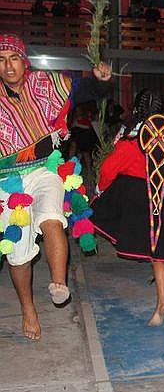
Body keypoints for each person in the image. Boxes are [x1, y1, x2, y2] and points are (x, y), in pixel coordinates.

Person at [0, 34, 111, 340]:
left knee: (52, 218)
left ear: (25, 62)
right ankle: (28, 309)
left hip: (44, 168)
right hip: (7, 182)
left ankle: (58, 283)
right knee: (18, 253)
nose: (8, 66)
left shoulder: (45, 85)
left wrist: (100, 80)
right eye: (1, 60)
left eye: (14, 58)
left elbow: (82, 89)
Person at [92, 90, 164, 326]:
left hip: (136, 200)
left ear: (136, 110)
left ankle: (97, 240)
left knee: (93, 211)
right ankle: (161, 303)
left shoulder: (129, 140)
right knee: (159, 255)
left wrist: (99, 191)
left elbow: (109, 170)